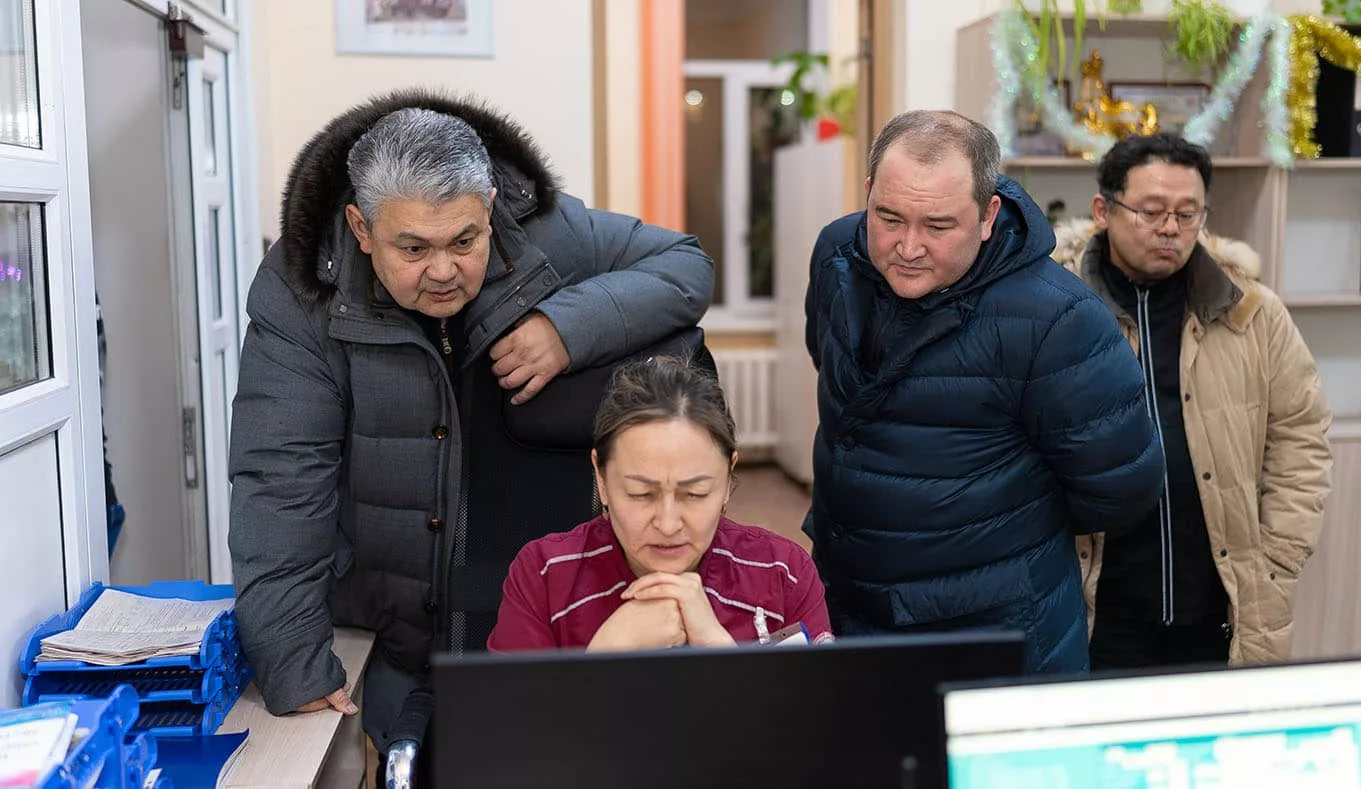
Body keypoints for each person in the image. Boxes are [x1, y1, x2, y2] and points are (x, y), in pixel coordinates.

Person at [227, 91, 713, 782]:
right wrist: (293, 663)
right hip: (384, 618)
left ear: (489, 208)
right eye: (413, 248)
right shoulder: (300, 287)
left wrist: (568, 327)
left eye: (464, 240)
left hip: (531, 620)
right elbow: (278, 480)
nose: (443, 270)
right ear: (361, 227)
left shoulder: (544, 229)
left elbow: (685, 265)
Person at [802, 109, 1165, 673]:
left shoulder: (1059, 319)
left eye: (938, 226)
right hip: (846, 601)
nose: (908, 246)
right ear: (869, 191)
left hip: (989, 631)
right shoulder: (836, 255)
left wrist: (994, 528)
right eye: (889, 217)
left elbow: (1122, 486)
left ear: (988, 215)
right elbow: (827, 363)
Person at [1051, 133, 1332, 669]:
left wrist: (1278, 556)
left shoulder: (1250, 312)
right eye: (1151, 211)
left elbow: (1302, 435)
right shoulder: (1055, 312)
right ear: (1103, 211)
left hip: (1222, 601)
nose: (1170, 229)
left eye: (1187, 214)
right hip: (1094, 602)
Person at [489, 355, 832, 652]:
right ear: (601, 479)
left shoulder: (784, 574)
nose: (668, 525)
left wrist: (719, 651)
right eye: (641, 494)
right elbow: (509, 710)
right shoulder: (545, 575)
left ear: (728, 479)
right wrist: (607, 653)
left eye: (695, 494)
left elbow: (812, 708)